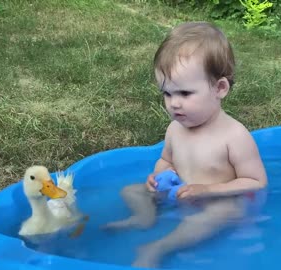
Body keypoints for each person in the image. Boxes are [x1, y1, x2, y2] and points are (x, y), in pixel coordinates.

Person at [103, 21, 268, 268]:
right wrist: (159, 176)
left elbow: (257, 182)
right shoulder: (175, 129)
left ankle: (159, 247)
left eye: (185, 94)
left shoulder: (234, 136)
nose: (173, 104)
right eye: (167, 94)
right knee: (131, 190)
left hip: (215, 200)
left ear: (219, 88)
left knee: (225, 211)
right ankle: (143, 218)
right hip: (178, 194)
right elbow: (166, 160)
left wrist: (208, 190)